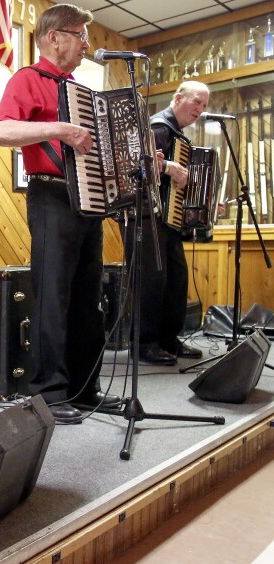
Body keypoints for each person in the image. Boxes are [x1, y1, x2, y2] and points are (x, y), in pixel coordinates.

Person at [0, 4, 120, 422]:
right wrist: (60, 129)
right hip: (50, 197)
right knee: (52, 297)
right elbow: (0, 130)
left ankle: (84, 388)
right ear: (54, 37)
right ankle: (48, 393)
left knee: (88, 298)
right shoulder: (28, 78)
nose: (86, 45)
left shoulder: (78, 90)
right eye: (80, 36)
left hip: (88, 200)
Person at [124, 81, 209, 365]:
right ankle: (145, 343)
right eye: (197, 102)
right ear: (178, 98)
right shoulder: (159, 127)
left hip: (166, 219)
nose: (200, 109)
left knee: (175, 279)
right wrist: (167, 167)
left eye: (204, 105)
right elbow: (135, 165)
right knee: (151, 280)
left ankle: (168, 339)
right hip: (146, 216)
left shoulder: (176, 134)